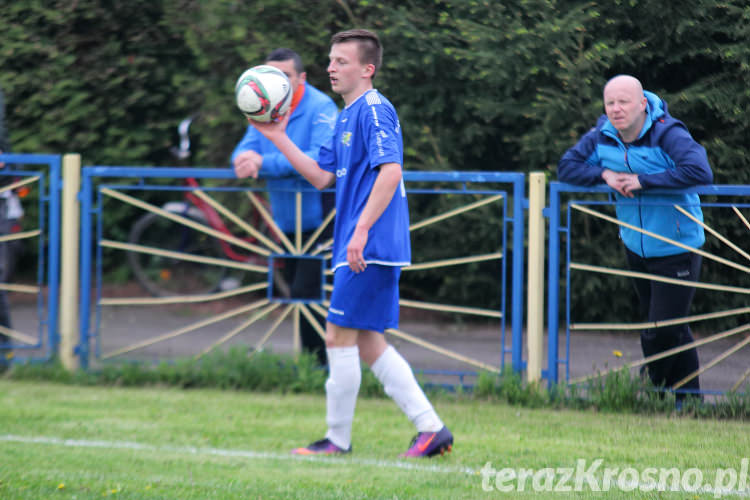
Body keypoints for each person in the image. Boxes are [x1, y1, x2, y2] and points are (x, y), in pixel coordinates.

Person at [246, 29, 453, 457]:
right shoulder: (345, 116)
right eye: (330, 60)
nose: (330, 68)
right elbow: (323, 177)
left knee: (338, 335)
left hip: (369, 244)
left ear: (367, 68)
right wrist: (278, 137)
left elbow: (390, 172)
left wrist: (360, 232)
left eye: (341, 61)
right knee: (368, 341)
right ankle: (430, 428)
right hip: (359, 243)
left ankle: (337, 440)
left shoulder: (375, 110)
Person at [558, 75, 713, 402]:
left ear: (642, 103)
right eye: (610, 103)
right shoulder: (601, 135)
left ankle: (652, 388)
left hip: (677, 246)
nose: (616, 109)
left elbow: (699, 171)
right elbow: (566, 167)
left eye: (623, 102)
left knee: (661, 330)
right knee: (674, 328)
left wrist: (644, 181)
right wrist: (603, 174)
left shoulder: (668, 132)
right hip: (635, 245)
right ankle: (689, 401)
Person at [232, 48, 339, 367]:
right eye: (271, 75)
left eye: (285, 77)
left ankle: (318, 366)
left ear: (301, 77)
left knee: (309, 294)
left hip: (321, 216)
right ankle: (312, 365)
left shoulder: (321, 107)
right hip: (284, 218)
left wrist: (263, 163)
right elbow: (243, 152)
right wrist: (243, 160)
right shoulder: (265, 105)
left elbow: (319, 161)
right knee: (298, 292)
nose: (276, 83)